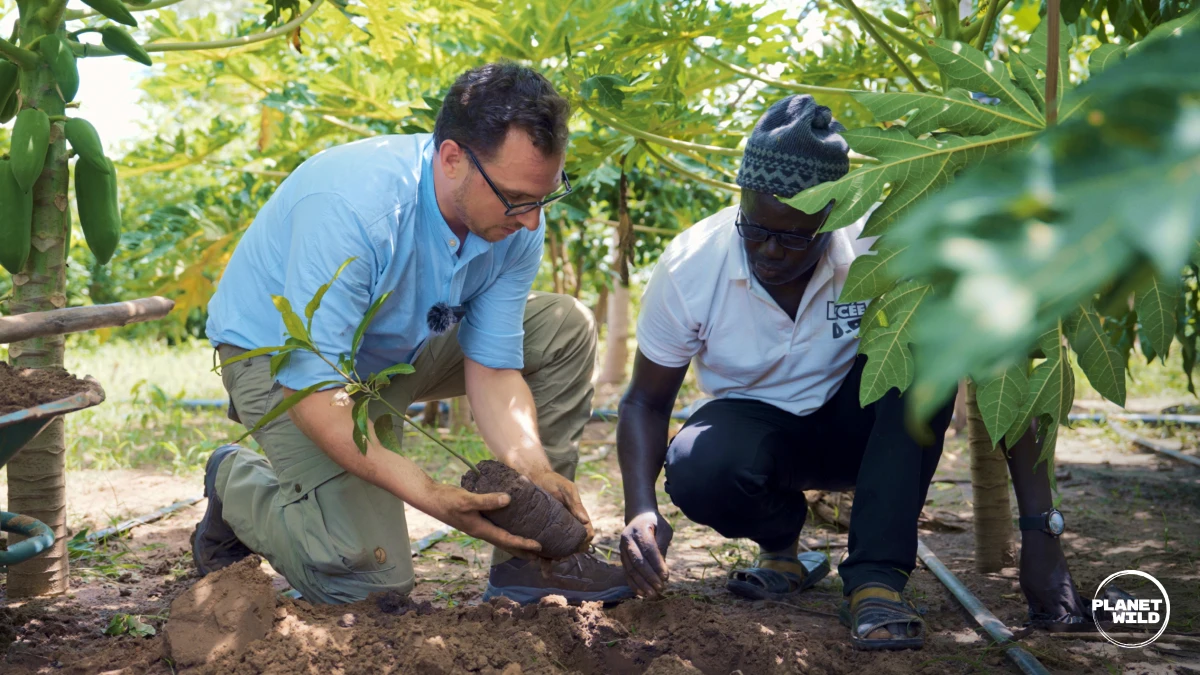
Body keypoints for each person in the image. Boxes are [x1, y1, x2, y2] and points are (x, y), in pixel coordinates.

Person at [193, 62, 633, 605]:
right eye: (518, 199)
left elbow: (493, 365)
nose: (533, 222)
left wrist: (533, 468)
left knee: (563, 325)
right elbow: (313, 387)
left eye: (544, 197)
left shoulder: (515, 221)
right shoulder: (354, 209)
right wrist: (432, 496)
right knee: (367, 584)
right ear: (452, 158)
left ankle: (534, 560)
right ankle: (236, 482)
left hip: (400, 346)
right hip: (288, 364)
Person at [615, 95, 954, 650]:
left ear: (835, 215)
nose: (770, 250)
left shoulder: (879, 244)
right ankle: (783, 545)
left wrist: (1041, 529)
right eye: (756, 228)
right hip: (760, 435)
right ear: (742, 201)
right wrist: (641, 510)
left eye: (795, 236)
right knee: (700, 467)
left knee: (923, 357)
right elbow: (644, 403)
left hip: (862, 429)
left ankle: (876, 577)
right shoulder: (691, 264)